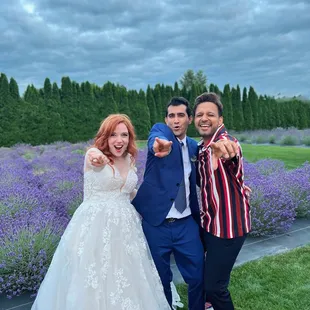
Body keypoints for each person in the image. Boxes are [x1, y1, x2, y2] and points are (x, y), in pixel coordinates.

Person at [31, 114, 171, 310]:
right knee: (92, 278)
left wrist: (156, 200)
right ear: (105, 136)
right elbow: (96, 158)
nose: (119, 140)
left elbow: (129, 192)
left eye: (124, 135)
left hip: (126, 229)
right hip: (95, 229)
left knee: (126, 277)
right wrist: (100, 159)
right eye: (113, 134)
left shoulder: (130, 159)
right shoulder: (93, 154)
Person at [132, 97, 206, 309]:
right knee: (160, 280)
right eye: (171, 116)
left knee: (197, 276)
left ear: (189, 119)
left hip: (186, 224)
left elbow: (204, 178)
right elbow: (155, 137)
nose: (175, 120)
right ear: (166, 119)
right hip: (156, 224)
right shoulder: (160, 134)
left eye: (180, 115)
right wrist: (159, 145)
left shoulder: (193, 147)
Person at [193, 92, 251, 310]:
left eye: (210, 114)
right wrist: (241, 185)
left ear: (220, 120)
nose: (204, 118)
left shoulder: (225, 142)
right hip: (209, 223)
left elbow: (231, 152)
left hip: (229, 228)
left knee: (216, 287)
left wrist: (225, 150)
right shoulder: (201, 148)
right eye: (200, 114)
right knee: (207, 277)